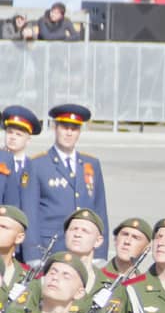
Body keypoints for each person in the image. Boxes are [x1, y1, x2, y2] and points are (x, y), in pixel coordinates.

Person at [22, 104, 108, 264]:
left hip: (85, 251)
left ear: (79, 132)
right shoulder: (37, 164)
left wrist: (100, 254)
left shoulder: (91, 164)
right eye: (64, 127)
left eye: (74, 128)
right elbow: (29, 213)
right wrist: (33, 255)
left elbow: (100, 210)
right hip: (50, 249)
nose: (69, 132)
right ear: (55, 128)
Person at [0, 106, 38, 208]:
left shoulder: (33, 166)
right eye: (10, 132)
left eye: (18, 134)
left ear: (28, 140)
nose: (12, 137)